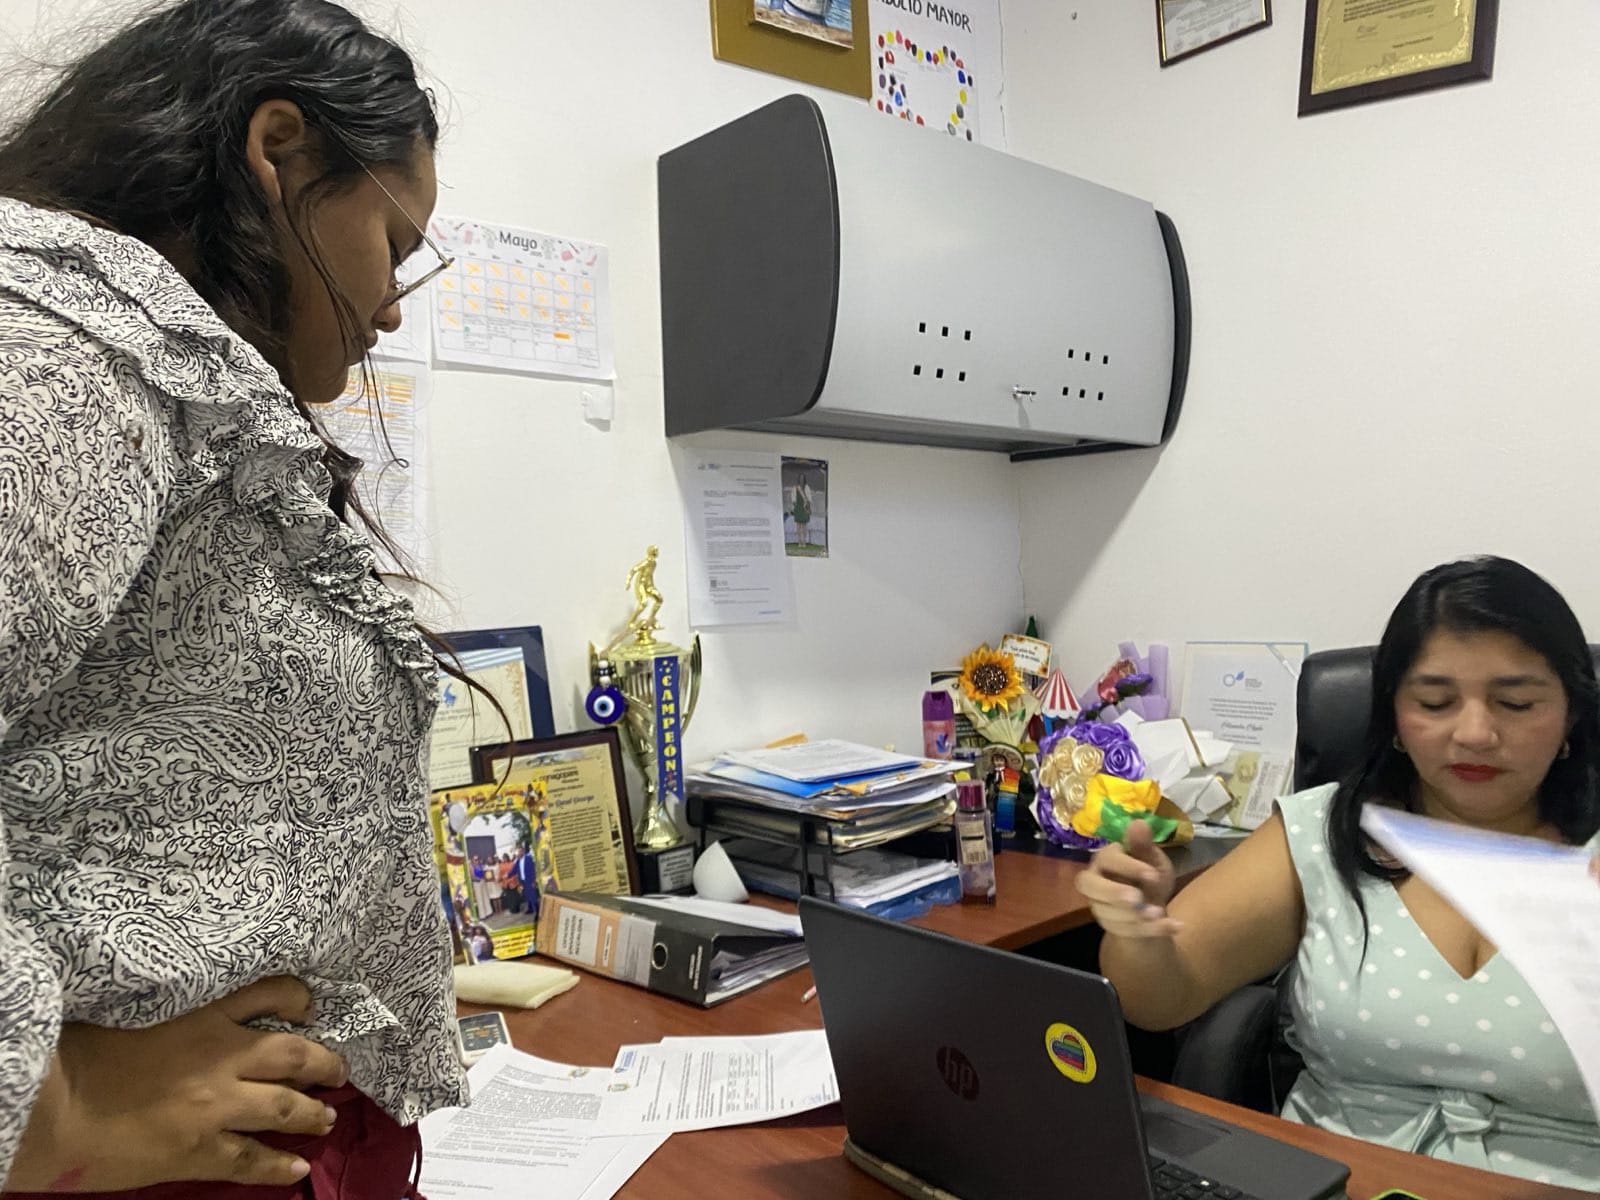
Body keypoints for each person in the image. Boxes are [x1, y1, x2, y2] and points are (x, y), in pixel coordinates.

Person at [0, 1, 465, 1193]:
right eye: (395, 241)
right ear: (278, 150)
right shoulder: (64, 358)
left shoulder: (168, 381)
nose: (393, 302)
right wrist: (61, 1114)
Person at [1080, 557, 1600, 1190]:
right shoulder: (1324, 831)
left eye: (1515, 703)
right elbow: (1160, 998)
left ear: (1571, 715)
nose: (1475, 733)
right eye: (1435, 702)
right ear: (1395, 717)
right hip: (1334, 1181)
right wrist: (1137, 933)